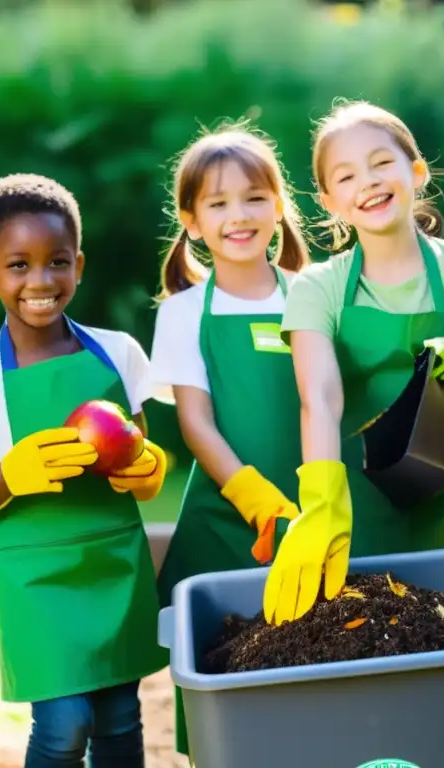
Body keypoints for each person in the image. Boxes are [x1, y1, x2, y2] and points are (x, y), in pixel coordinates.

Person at [0, 173, 169, 768]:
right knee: (65, 726)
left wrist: (144, 466)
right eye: (18, 265)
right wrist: (14, 472)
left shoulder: (118, 353)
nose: (40, 281)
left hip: (114, 564)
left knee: (120, 718)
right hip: (36, 579)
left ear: (79, 265)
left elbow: (147, 471)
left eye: (56, 262)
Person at [265, 100, 444, 626]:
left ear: (416, 171)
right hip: (360, 500)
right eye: (347, 175)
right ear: (329, 200)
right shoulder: (317, 288)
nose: (369, 183)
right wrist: (324, 499)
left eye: (381, 163)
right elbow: (320, 396)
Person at [142, 124, 310, 759]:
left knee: (315, 666)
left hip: (313, 514)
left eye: (254, 197)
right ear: (191, 219)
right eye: (217, 203)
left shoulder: (314, 293)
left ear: (278, 205)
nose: (238, 216)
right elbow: (195, 424)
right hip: (225, 519)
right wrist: (253, 497)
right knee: (221, 683)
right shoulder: (183, 312)